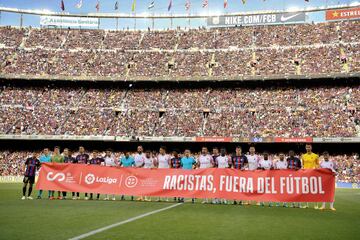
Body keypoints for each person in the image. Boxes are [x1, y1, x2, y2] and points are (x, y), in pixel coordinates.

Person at [301, 144, 319, 209]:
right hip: (305, 175)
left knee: (314, 190)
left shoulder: (316, 156)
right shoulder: (303, 156)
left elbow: (318, 164)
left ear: (311, 147)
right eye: (307, 147)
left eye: (309, 147)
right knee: (305, 190)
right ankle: (306, 204)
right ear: (305, 148)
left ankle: (316, 205)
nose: (308, 148)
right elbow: (302, 165)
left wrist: (315, 168)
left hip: (313, 175)